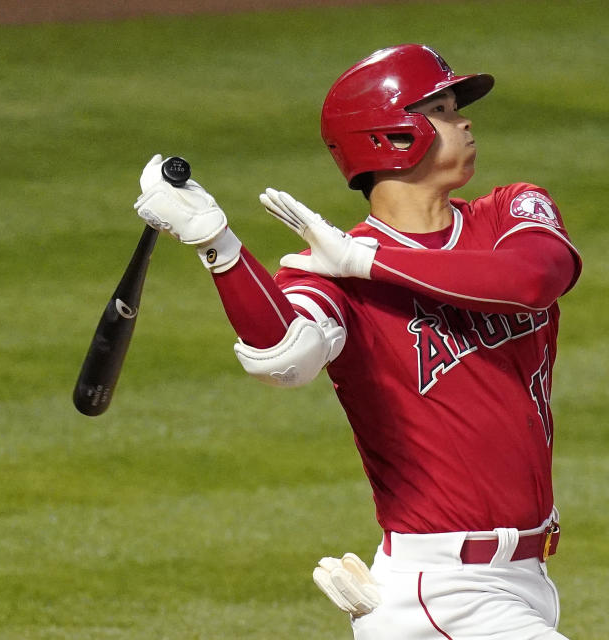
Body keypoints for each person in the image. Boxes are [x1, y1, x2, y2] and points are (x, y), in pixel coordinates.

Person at [133, 43, 582, 640]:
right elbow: (284, 359)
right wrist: (220, 247)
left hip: (526, 578)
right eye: (444, 109)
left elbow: (537, 279)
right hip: (442, 590)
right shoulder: (325, 271)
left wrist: (367, 263)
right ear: (392, 135)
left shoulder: (507, 213)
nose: (465, 121)